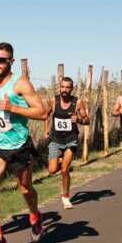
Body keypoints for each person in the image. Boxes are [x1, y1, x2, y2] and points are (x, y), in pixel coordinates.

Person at [0, 42, 48, 243]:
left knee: (25, 188)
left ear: (11, 62)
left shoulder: (21, 84)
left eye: (1, 60)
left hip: (20, 146)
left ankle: (35, 217)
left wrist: (14, 108)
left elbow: (42, 112)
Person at [44, 76, 89, 209]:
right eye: (62, 87)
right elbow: (46, 115)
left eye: (67, 87)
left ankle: (66, 197)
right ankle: (59, 161)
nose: (64, 90)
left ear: (71, 88)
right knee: (52, 170)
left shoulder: (77, 102)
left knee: (64, 170)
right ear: (60, 87)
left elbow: (87, 120)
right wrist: (46, 130)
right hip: (55, 140)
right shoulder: (54, 100)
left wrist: (79, 120)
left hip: (71, 139)